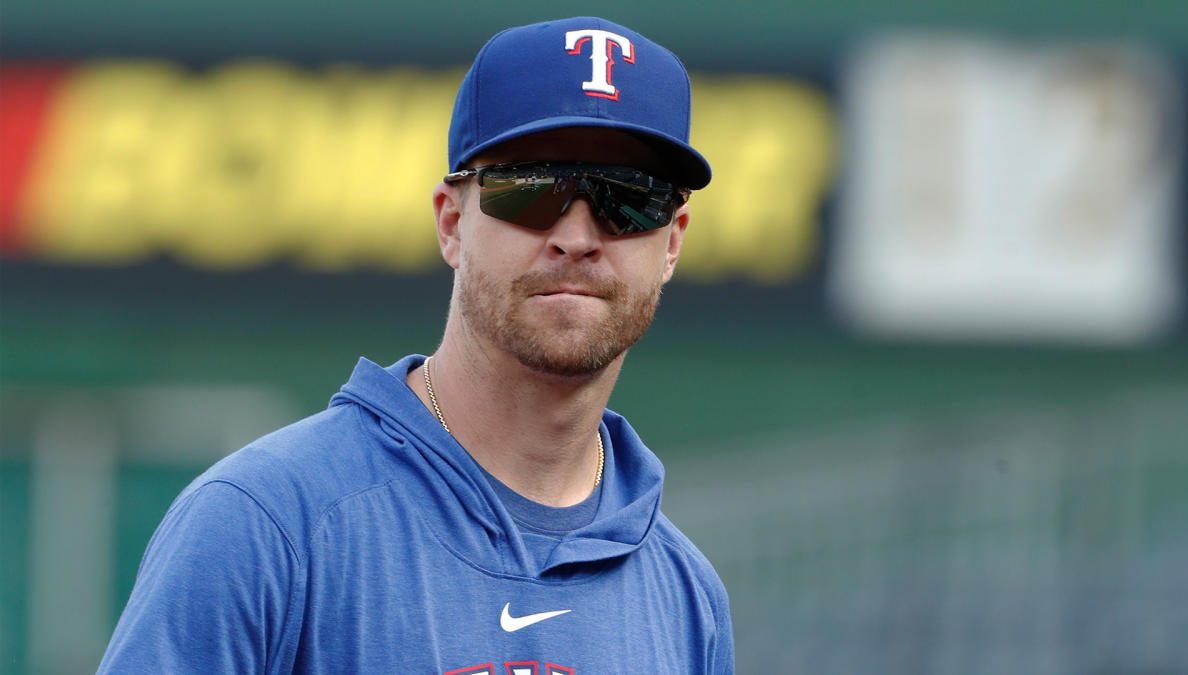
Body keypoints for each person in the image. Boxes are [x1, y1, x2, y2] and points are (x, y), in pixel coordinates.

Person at [99, 16, 733, 674]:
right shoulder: (265, 522)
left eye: (627, 198)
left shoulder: (688, 599)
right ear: (452, 222)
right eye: (531, 188)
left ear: (674, 240)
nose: (577, 236)